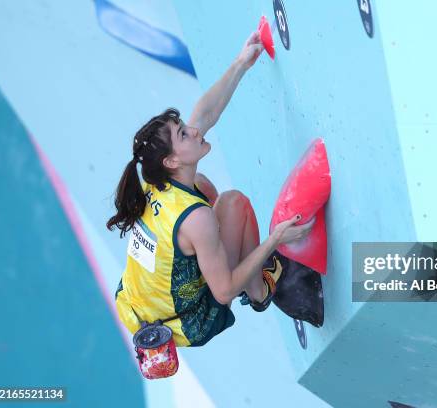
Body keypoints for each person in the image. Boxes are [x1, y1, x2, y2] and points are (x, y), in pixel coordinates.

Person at [107, 31, 315, 347]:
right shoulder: (195, 218)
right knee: (233, 204)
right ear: (172, 160)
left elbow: (204, 115)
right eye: (184, 135)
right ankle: (261, 290)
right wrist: (276, 240)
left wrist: (240, 64)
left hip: (147, 305)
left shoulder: (158, 177)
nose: (194, 131)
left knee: (203, 188)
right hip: (192, 320)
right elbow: (224, 291)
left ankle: (230, 266)